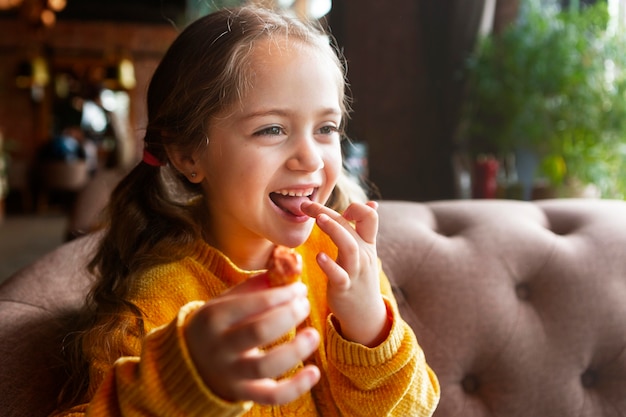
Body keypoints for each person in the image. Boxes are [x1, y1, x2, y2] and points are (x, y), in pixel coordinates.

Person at [52, 6, 440, 416]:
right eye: (271, 129)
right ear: (187, 155)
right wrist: (179, 386)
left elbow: (415, 409)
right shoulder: (153, 307)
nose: (310, 158)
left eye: (326, 128)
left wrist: (370, 329)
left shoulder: (344, 265)